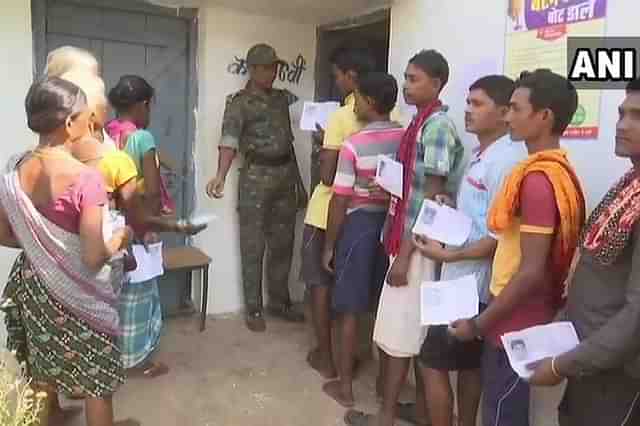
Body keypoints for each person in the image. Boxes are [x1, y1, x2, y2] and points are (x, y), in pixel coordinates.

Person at [448, 69, 586, 426]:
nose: (507, 116)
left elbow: (530, 272)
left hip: (516, 319)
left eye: (515, 108)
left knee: (501, 414)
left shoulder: (538, 180)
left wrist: (478, 324)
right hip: (523, 313)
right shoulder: (558, 170)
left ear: (544, 117)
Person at [0, 77, 135, 426]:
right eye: (83, 114)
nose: (88, 120)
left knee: (43, 376)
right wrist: (120, 238)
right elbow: (92, 257)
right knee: (96, 385)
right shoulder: (85, 179)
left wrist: (42, 248)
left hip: (34, 286)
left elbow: (4, 233)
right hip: (80, 295)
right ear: (68, 122)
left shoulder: (13, 170)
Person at [345, 49, 465, 426]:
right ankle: (415, 412)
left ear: (437, 82)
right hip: (406, 238)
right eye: (407, 77)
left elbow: (431, 197)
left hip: (419, 246)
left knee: (399, 336)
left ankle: (385, 416)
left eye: (414, 79)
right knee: (408, 332)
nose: (407, 85)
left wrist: (406, 254)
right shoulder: (418, 122)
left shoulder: (437, 127)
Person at [409, 75, 525, 426]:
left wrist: (449, 256)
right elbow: (479, 216)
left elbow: (498, 236)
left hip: (470, 283)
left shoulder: (505, 162)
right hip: (464, 276)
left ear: (504, 112)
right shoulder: (482, 154)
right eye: (468, 102)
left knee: (432, 363)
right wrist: (449, 206)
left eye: (478, 104)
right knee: (469, 365)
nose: (468, 111)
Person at [528, 78, 640, 425]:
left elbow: (636, 315)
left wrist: (562, 364)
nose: (622, 124)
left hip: (617, 374)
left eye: (637, 116)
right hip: (588, 357)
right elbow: (598, 270)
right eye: (622, 113)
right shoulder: (630, 183)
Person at [205, 44, 305, 332]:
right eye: (269, 68)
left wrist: (298, 183)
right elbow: (228, 140)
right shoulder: (239, 103)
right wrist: (220, 176)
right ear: (253, 69)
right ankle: (254, 308)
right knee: (252, 244)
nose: (275, 72)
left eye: (276, 67)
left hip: (285, 175)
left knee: (284, 242)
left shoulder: (281, 99)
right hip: (255, 177)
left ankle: (279, 302)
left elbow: (289, 142)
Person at [320, 72, 404, 407]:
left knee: (348, 310)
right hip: (393, 226)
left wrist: (329, 244)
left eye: (357, 97)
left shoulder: (354, 144)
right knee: (386, 307)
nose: (353, 103)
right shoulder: (406, 137)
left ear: (369, 102)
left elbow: (340, 198)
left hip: (359, 227)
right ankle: (386, 385)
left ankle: (345, 388)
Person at [303, 46, 376, 377]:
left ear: (352, 77)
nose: (336, 81)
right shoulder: (393, 117)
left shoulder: (340, 117)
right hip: (365, 215)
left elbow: (328, 176)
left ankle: (325, 356)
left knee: (319, 282)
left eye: (338, 75)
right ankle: (355, 353)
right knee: (354, 284)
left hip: (327, 212)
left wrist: (323, 143)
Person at [105, 75, 172, 377]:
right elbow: (153, 189)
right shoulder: (143, 138)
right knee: (142, 294)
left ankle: (114, 354)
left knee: (118, 292)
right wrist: (153, 224)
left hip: (114, 222)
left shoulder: (108, 132)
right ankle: (137, 361)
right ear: (143, 104)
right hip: (139, 220)